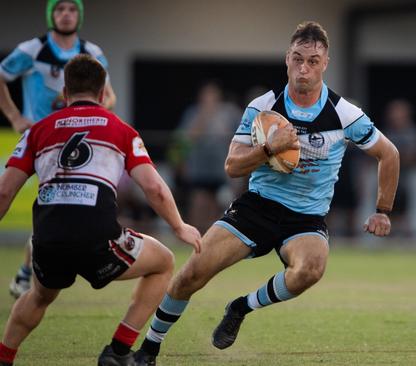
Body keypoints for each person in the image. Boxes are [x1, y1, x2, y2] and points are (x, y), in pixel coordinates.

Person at [133, 21, 400, 364]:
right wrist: (268, 149)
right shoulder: (264, 106)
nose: (304, 68)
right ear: (286, 58)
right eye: (298, 59)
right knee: (191, 274)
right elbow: (232, 166)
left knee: (310, 270)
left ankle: (241, 307)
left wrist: (382, 209)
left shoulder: (344, 113)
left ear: (325, 63)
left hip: (306, 217)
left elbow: (388, 153)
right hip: (257, 208)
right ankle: (148, 349)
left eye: (313, 61)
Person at [0, 54, 201, 366]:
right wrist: (179, 226)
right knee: (163, 262)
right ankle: (118, 352)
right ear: (104, 94)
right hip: (98, 241)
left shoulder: (36, 132)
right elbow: (154, 188)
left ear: (64, 94)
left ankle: (4, 356)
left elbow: (4, 191)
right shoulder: (121, 130)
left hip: (47, 240)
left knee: (40, 295)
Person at [0, 0, 116, 299]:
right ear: (51, 14)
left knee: (54, 206)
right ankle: (29, 273)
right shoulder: (32, 50)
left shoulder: (93, 53)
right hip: (41, 141)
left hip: (75, 145)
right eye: (60, 8)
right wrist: (14, 116)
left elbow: (110, 97)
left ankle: (28, 273)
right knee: (38, 202)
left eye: (72, 9)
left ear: (80, 14)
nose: (66, 14)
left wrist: (92, 115)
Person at [173, 80, 241, 233]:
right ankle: (194, 233)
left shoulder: (228, 113)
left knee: (217, 205)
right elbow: (184, 140)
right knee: (199, 202)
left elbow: (240, 136)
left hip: (220, 168)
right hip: (199, 168)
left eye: (213, 95)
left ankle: (211, 235)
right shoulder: (193, 113)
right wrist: (203, 117)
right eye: (206, 95)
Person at [382, 99, 416, 237]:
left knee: (403, 218)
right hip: (386, 183)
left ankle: (408, 247)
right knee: (385, 218)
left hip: (402, 183)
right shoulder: (387, 132)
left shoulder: (411, 133)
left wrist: (392, 156)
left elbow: (412, 157)